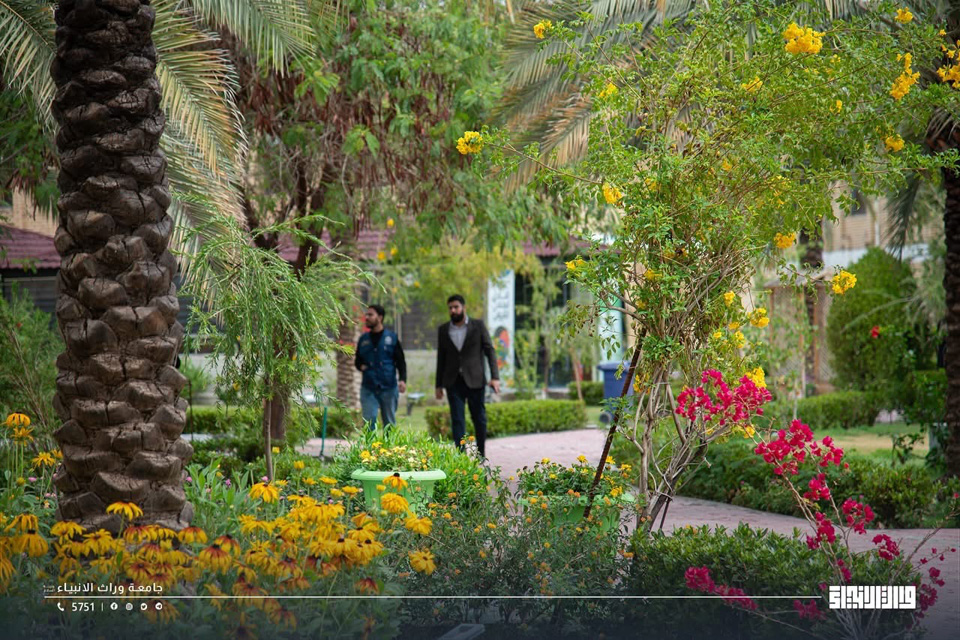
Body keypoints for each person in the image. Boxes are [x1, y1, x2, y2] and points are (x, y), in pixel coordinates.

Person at [435, 294, 500, 457]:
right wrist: (438, 385)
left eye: (456, 307)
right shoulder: (443, 330)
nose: (453, 310)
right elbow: (441, 358)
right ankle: (461, 457)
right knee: (457, 419)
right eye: (450, 308)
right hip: (453, 381)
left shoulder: (478, 326)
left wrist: (495, 377)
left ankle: (481, 453)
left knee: (479, 418)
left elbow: (489, 351)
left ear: (463, 307)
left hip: (475, 380)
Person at [355, 304, 407, 429]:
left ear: (380, 317)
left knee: (389, 423)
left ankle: (389, 443)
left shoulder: (392, 338)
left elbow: (401, 361)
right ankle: (370, 442)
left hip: (388, 386)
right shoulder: (363, 339)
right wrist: (362, 367)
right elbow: (358, 361)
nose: (367, 317)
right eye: (366, 314)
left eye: (370, 314)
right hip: (368, 387)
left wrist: (402, 380)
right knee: (369, 421)